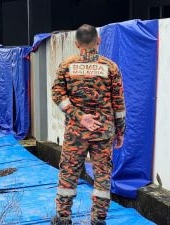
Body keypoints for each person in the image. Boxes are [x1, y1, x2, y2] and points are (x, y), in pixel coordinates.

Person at [51, 24, 126, 225]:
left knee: (68, 172)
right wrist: (120, 131)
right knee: (102, 175)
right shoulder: (111, 67)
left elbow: (57, 95)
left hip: (76, 132)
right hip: (104, 132)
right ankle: (99, 219)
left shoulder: (66, 65)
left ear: (76, 43)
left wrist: (79, 115)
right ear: (98, 41)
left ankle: (62, 218)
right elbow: (118, 103)